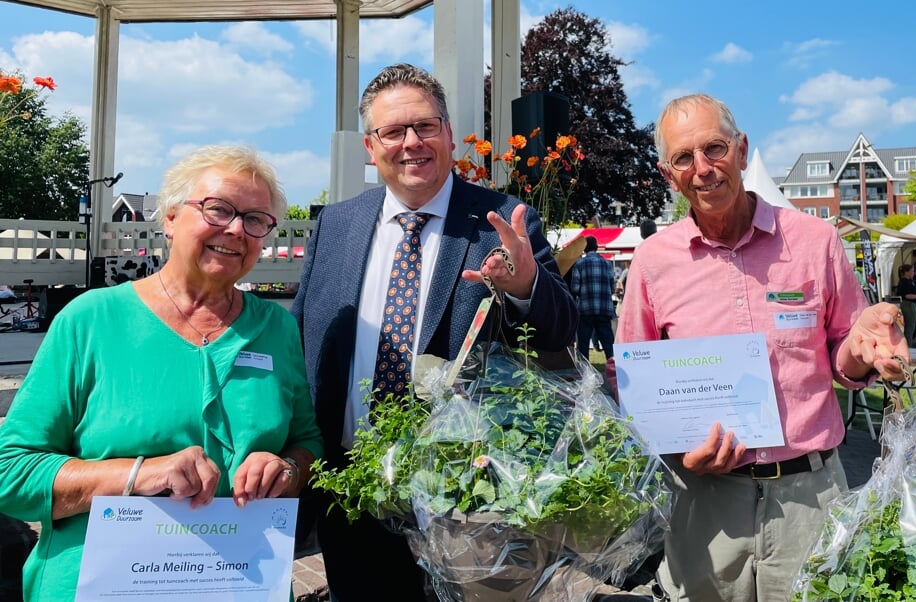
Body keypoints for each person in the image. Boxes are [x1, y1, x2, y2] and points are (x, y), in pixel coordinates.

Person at [292, 63, 578, 601]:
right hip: (352, 495)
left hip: (468, 504)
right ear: (369, 147)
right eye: (392, 131)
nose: (411, 143)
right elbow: (302, 341)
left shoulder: (504, 218)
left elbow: (564, 330)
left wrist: (527, 285)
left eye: (424, 126)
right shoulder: (335, 224)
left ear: (448, 133)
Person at [614, 93, 908, 601]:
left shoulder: (815, 241)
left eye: (714, 149)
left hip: (810, 497)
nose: (703, 169)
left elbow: (844, 347)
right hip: (705, 502)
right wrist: (680, 451)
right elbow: (633, 384)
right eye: (684, 158)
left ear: (742, 149)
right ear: (668, 174)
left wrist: (862, 354)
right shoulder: (653, 261)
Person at [0, 145, 324, 602]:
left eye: (256, 220)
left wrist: (286, 468)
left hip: (239, 583)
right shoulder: (91, 320)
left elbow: (307, 440)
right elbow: (10, 473)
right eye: (218, 209)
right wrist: (139, 475)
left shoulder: (276, 329)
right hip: (100, 586)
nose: (236, 229)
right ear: (170, 218)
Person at [571, 235, 617, 359]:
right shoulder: (607, 264)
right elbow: (612, 288)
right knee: (608, 343)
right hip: (604, 309)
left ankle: (585, 373)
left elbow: (575, 288)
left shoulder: (579, 264)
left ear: (584, 249)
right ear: (596, 248)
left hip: (586, 309)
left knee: (583, 344)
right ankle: (615, 369)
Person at [896, 264, 916, 346]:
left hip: (912, 305)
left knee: (915, 325)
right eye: (912, 271)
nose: (913, 273)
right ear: (906, 272)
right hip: (908, 305)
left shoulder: (910, 281)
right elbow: (907, 295)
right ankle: (908, 345)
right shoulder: (905, 282)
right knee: (909, 327)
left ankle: (909, 343)